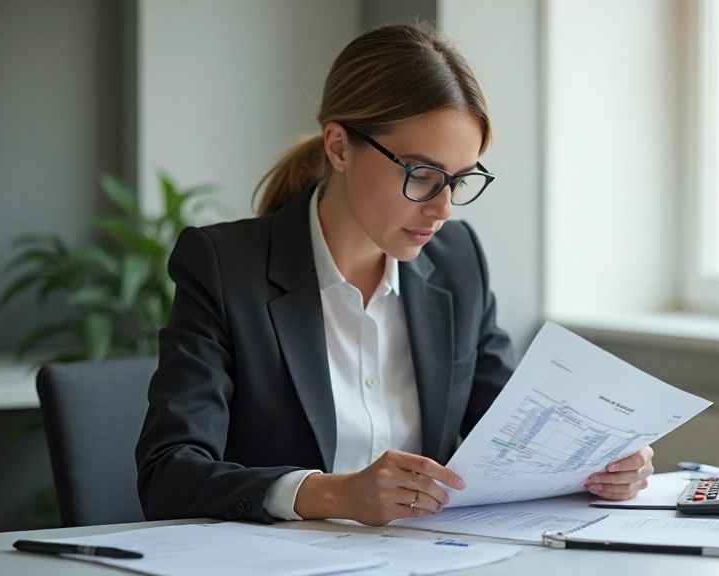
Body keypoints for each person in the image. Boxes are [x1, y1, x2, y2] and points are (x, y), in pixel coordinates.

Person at [135, 22, 654, 527]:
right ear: (339, 147)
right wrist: (335, 492)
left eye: (459, 180)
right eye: (422, 174)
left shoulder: (457, 262)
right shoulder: (225, 268)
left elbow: (507, 441)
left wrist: (596, 465)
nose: (444, 209)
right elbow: (169, 474)